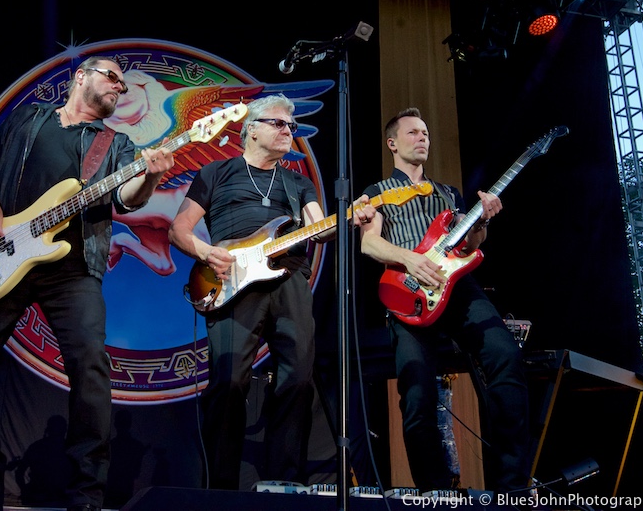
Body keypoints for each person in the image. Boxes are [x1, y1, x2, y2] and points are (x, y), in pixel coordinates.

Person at [0, 55, 173, 511]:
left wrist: (150, 177)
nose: (119, 88)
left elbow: (126, 201)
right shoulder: (27, 118)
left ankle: (86, 495)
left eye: (124, 85)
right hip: (2, 257)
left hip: (72, 269)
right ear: (80, 77)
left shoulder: (116, 142)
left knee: (91, 370)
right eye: (112, 77)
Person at [168, 94, 371, 490]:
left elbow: (322, 230)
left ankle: (284, 483)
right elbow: (179, 229)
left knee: (297, 380)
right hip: (230, 281)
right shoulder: (216, 173)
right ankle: (221, 487)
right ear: (252, 129)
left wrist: (350, 217)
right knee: (228, 382)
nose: (288, 132)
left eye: (292, 127)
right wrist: (209, 252)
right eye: (279, 124)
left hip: (289, 278)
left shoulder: (298, 183)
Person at [358, 108, 530, 495]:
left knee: (506, 358)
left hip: (457, 288)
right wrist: (409, 259)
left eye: (426, 133)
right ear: (392, 143)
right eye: (413, 132)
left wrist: (481, 222)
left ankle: (512, 486)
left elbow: (470, 245)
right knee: (417, 391)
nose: (423, 138)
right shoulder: (377, 192)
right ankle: (434, 490)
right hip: (409, 291)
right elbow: (369, 242)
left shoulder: (448, 194)